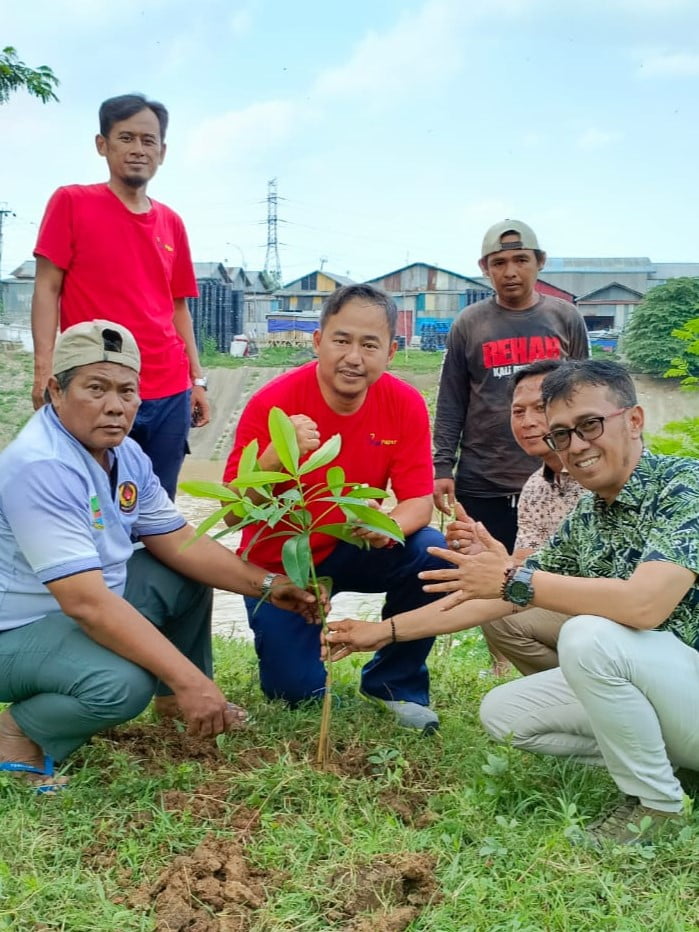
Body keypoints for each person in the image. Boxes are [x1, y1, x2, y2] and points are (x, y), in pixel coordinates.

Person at [0, 321, 319, 791]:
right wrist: (191, 678)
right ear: (55, 390)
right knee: (123, 683)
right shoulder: (41, 466)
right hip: (18, 631)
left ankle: (177, 709)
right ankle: (18, 736)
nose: (115, 405)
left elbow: (177, 540)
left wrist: (268, 585)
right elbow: (85, 603)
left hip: (79, 609)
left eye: (127, 391)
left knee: (182, 572)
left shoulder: (125, 453)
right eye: (96, 388)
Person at [422, 359, 699, 844]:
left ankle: (657, 806)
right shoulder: (589, 515)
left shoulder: (685, 485)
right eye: (561, 436)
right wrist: (382, 633)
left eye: (589, 425)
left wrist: (512, 578)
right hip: (675, 695)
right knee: (506, 714)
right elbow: (510, 597)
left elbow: (643, 606)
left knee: (589, 633)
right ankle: (669, 763)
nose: (576, 447)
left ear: (633, 421)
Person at [222, 283, 448, 733]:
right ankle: (297, 660)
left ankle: (395, 684)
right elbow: (232, 513)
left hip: (352, 541)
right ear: (317, 341)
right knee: (296, 695)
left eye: (370, 345)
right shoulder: (273, 403)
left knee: (430, 550)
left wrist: (391, 526)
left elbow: (418, 502)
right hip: (284, 560)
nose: (354, 357)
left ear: (391, 352)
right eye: (341, 340)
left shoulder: (403, 404)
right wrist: (274, 456)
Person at [325, 359, 585, 676]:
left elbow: (528, 586)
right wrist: (485, 557)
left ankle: (597, 687)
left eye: (540, 408)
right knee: (503, 611)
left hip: (623, 618)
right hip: (580, 614)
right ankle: (570, 691)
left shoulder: (595, 477)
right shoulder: (537, 488)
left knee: (509, 607)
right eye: (518, 411)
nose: (528, 421)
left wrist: (385, 630)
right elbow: (524, 572)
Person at [31, 93, 209, 499]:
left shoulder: (171, 223)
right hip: (98, 383)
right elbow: (47, 287)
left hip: (167, 388)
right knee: (89, 499)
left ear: (162, 152)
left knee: (157, 503)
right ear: (102, 145)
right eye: (126, 138)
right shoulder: (72, 203)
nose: (138, 150)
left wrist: (196, 379)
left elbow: (178, 305)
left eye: (148, 141)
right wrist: (44, 369)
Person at [432, 219, 589, 552]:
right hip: (483, 481)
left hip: (555, 479)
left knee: (549, 580)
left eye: (521, 260)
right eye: (499, 263)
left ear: (540, 262)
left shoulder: (565, 318)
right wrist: (443, 466)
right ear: (484, 268)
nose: (510, 271)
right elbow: (451, 400)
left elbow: (585, 395)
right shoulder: (470, 324)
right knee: (480, 576)